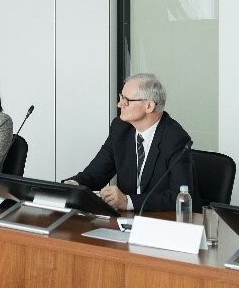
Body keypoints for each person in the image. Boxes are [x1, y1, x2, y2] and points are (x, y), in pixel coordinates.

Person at [66, 73, 195, 212]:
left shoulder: (175, 138)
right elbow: (95, 174)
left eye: (126, 100)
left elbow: (179, 196)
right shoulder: (120, 129)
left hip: (160, 222)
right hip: (125, 221)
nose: (120, 104)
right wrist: (72, 186)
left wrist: (128, 202)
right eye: (121, 97)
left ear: (149, 106)